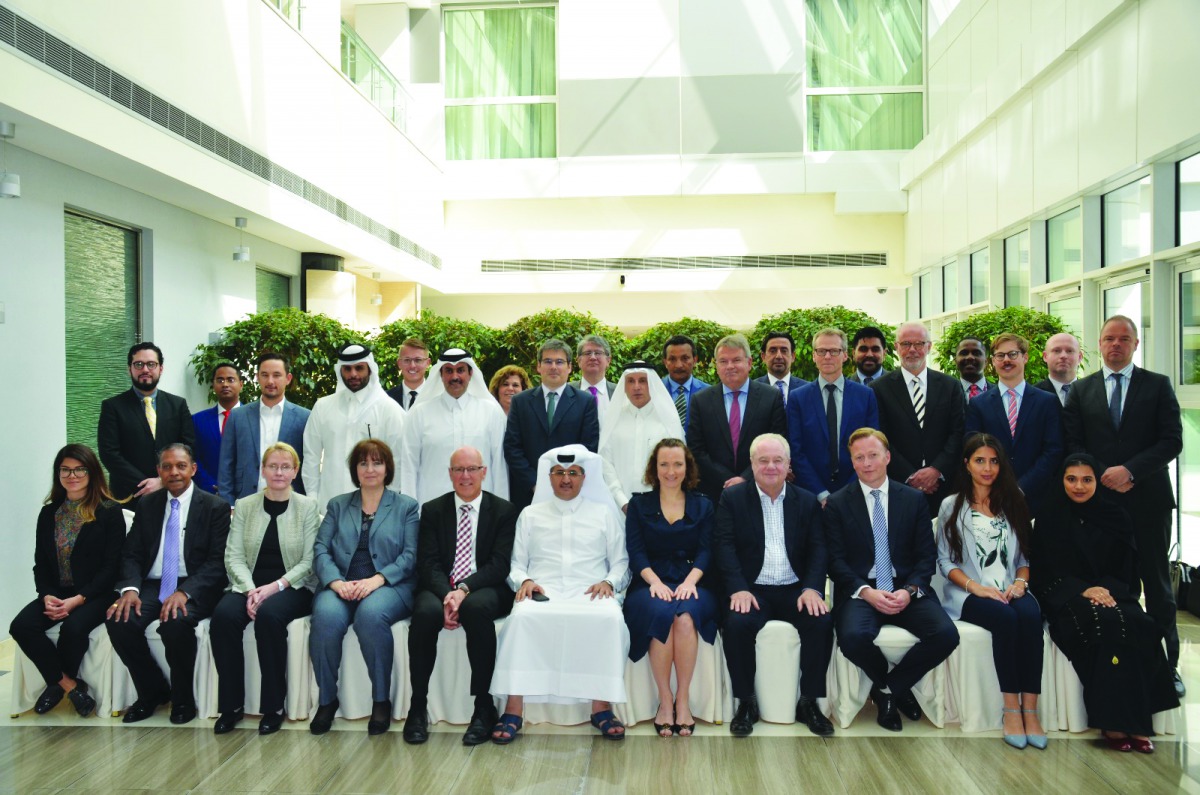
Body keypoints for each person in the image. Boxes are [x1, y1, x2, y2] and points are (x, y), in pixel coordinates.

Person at [1062, 315, 1184, 696]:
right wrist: (1102, 475)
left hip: (1148, 502)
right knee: (1117, 585)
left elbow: (1172, 441)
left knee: (1157, 587)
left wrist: (1130, 470)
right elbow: (1074, 444)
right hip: (1101, 505)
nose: (1116, 345)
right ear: (1098, 345)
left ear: (1135, 344)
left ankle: (1168, 668)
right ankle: (1125, 664)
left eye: (1124, 339)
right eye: (1109, 339)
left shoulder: (1158, 385)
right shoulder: (1081, 391)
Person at [1032, 454, 1179, 753]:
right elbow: (1045, 570)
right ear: (1061, 481)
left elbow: (1127, 567)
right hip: (1068, 596)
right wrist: (1084, 590)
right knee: (1104, 626)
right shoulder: (1050, 516)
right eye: (1071, 479)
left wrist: (1106, 589)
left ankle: (1138, 724)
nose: (1079, 486)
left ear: (1098, 482)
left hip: (1114, 592)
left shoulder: (1115, 515)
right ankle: (1112, 723)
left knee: (1141, 625)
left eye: (1087, 479)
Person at [489, 445, 631, 744]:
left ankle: (600, 706)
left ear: (584, 477)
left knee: (609, 620)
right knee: (522, 619)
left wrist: (609, 580)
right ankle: (514, 709)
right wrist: (525, 580)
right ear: (548, 477)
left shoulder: (604, 513)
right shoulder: (530, 514)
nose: (566, 479)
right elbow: (516, 564)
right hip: (545, 591)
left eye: (573, 473)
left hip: (590, 591)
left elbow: (620, 561)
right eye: (559, 473)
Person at [824, 429, 959, 731]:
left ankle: (888, 689)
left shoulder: (912, 500)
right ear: (852, 462)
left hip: (905, 588)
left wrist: (910, 590)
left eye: (873, 455)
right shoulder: (837, 503)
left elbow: (926, 557)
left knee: (946, 635)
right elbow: (835, 561)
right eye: (859, 457)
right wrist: (865, 591)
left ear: (887, 457)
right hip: (862, 591)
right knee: (853, 638)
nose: (867, 463)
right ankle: (895, 688)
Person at [714, 434, 834, 738]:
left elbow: (819, 549)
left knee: (820, 621)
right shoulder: (733, 499)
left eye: (778, 460)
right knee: (737, 624)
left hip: (795, 589)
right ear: (751, 464)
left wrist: (812, 589)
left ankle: (808, 702)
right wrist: (738, 588)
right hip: (752, 589)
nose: (771, 466)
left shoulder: (806, 501)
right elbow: (724, 546)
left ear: (788, 464)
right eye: (763, 460)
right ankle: (746, 702)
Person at [105, 443, 230, 724]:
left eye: (181, 466)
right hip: (153, 583)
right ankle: (152, 691)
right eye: (167, 466)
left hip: (194, 584)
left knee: (175, 623)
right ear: (158, 471)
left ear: (193, 469)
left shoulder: (215, 507)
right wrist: (130, 590)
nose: (174, 472)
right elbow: (132, 552)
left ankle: (183, 699)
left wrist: (185, 592)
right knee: (119, 619)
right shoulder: (148, 504)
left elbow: (217, 562)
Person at [404, 446, 519, 746]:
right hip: (441, 586)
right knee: (425, 613)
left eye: (471, 469)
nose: (465, 476)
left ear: (484, 472)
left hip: (484, 587)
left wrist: (463, 591)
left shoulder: (504, 511)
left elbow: (499, 564)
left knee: (476, 610)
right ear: (450, 474)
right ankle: (417, 707)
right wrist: (448, 595)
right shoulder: (432, 509)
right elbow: (427, 562)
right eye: (458, 470)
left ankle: (484, 707)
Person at [936, 433, 1044, 749]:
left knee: (1030, 616)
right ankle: (1011, 709)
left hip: (1011, 589)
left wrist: (1020, 584)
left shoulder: (1015, 499)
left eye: (994, 461)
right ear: (967, 464)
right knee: (1006, 620)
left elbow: (1024, 558)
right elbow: (944, 561)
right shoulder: (951, 506)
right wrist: (976, 588)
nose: (987, 468)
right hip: (970, 594)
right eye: (980, 460)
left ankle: (1031, 711)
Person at [308, 439, 419, 736]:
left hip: (387, 585)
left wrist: (377, 579)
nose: (370, 469)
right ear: (354, 469)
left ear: (388, 468)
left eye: (377, 462)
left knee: (370, 617)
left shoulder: (406, 506)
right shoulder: (338, 504)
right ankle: (327, 701)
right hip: (342, 585)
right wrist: (335, 582)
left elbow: (410, 556)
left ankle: (381, 701)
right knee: (326, 618)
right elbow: (320, 549)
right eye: (363, 463)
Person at [210, 442, 319, 735]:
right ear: (263, 470)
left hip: (293, 587)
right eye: (273, 466)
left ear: (295, 471)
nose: (279, 472)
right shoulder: (245, 506)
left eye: (286, 467)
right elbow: (232, 556)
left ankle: (273, 707)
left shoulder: (308, 507)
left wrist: (273, 587)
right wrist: (250, 591)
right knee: (223, 618)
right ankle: (231, 705)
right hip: (249, 586)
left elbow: (310, 561)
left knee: (270, 617)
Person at [9, 444, 125, 718]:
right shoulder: (49, 513)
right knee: (21, 626)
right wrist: (46, 595)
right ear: (58, 474)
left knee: (73, 628)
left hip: (97, 593)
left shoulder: (109, 511)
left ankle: (55, 686)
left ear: (92, 472)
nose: (71, 475)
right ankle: (69, 685)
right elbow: (42, 564)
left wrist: (78, 599)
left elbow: (111, 568)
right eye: (65, 470)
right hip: (57, 592)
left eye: (79, 469)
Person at [624, 439, 716, 737]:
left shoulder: (703, 504)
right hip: (649, 582)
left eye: (678, 464)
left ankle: (684, 700)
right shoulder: (639, 505)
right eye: (664, 464)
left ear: (687, 467)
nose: (671, 471)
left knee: (685, 619)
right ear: (654, 468)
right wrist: (655, 582)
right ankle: (665, 701)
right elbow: (636, 552)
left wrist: (690, 582)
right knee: (661, 613)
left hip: (694, 580)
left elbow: (706, 550)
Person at [870, 322, 965, 517]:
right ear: (896, 348)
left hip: (944, 489)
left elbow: (958, 432)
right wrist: (911, 476)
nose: (912, 350)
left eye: (919, 344)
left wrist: (936, 470)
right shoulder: (878, 388)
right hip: (898, 486)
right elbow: (880, 437)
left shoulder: (950, 386)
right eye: (905, 344)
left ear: (929, 347)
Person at [964, 333, 1062, 512]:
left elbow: (1053, 451)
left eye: (1013, 354)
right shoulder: (979, 404)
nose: (1006, 360)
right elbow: (973, 449)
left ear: (1025, 357)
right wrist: (999, 487)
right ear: (993, 361)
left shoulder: (1047, 402)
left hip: (1037, 498)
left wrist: (1021, 487)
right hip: (991, 497)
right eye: (1000, 356)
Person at [302, 344, 407, 512]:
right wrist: (312, 499)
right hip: (329, 505)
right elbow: (311, 457)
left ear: (370, 369)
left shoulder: (389, 409)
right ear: (340, 370)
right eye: (347, 369)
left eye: (359, 368)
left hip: (374, 508)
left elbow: (398, 461)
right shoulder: (323, 407)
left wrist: (386, 506)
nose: (353, 374)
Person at [399, 348, 509, 506]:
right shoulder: (419, 413)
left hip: (482, 512)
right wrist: (410, 515)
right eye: (449, 371)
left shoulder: (491, 412)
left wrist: (500, 514)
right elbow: (409, 468)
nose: (455, 377)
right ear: (441, 375)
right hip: (432, 511)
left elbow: (499, 468)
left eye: (461, 370)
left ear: (470, 374)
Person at [687, 333, 787, 506]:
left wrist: (744, 478)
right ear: (716, 365)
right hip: (715, 494)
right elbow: (696, 450)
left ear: (749, 363)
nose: (730, 366)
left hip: (759, 489)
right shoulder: (700, 400)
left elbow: (778, 442)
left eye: (736, 360)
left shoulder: (770, 397)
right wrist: (728, 480)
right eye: (723, 361)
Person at [503, 339, 600, 509]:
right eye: (548, 361)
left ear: (569, 367)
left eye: (559, 362)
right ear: (539, 366)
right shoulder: (521, 401)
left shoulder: (586, 402)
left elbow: (589, 447)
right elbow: (512, 448)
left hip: (572, 493)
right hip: (528, 494)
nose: (553, 367)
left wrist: (565, 479)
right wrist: (536, 483)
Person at [788, 328, 879, 505]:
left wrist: (847, 492)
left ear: (845, 355)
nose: (827, 356)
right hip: (810, 495)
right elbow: (796, 451)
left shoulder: (866, 396)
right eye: (821, 351)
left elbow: (872, 446)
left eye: (834, 351)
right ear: (814, 356)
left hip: (855, 493)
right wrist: (821, 494)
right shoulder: (798, 398)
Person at [98, 342, 195, 501]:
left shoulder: (178, 405)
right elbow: (109, 454)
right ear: (129, 369)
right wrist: (144, 484)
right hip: (129, 495)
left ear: (160, 368)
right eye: (138, 364)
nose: (145, 370)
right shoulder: (112, 407)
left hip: (173, 492)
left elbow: (188, 447)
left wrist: (162, 480)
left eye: (151, 364)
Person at [218, 352, 311, 506]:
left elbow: (308, 465)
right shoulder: (237, 416)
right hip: (245, 503)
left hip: (291, 503)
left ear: (288, 379)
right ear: (257, 377)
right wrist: (229, 504)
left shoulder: (304, 417)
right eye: (265, 375)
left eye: (276, 375)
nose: (270, 381)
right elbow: (226, 465)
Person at [599, 361, 685, 511]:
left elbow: (678, 465)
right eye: (631, 381)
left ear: (651, 384)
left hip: (661, 508)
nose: (636, 387)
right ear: (624, 387)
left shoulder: (667, 420)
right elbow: (605, 464)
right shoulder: (613, 419)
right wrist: (622, 502)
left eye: (643, 381)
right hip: (617, 508)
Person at [192, 362, 242, 494]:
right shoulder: (197, 420)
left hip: (247, 493)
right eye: (220, 380)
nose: (225, 384)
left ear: (241, 384)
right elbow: (193, 457)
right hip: (209, 493)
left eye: (231, 380)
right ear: (213, 385)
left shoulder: (254, 418)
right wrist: (209, 484)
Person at [662, 334, 708, 430]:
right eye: (672, 359)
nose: (679, 365)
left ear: (695, 360)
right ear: (665, 362)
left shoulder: (709, 393)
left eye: (685, 358)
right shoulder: (654, 391)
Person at [753, 331, 805, 406]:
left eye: (784, 351)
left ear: (793, 356)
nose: (778, 356)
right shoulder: (752, 390)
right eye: (773, 351)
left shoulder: (807, 389)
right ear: (763, 356)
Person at [1034, 332, 1082, 406]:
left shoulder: (1093, 393)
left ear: (1080, 357)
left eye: (1069, 351)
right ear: (1045, 356)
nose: (1063, 356)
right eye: (1057, 351)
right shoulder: (1033, 395)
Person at [574, 334, 617, 416]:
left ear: (608, 360)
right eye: (588, 353)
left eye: (598, 353)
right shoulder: (565, 393)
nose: (593, 357)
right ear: (578, 360)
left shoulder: (620, 392)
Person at [386, 337, 431, 410]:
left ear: (427, 363)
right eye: (407, 360)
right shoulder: (386, 398)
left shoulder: (437, 397)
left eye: (418, 360)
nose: (412, 366)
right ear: (399, 363)